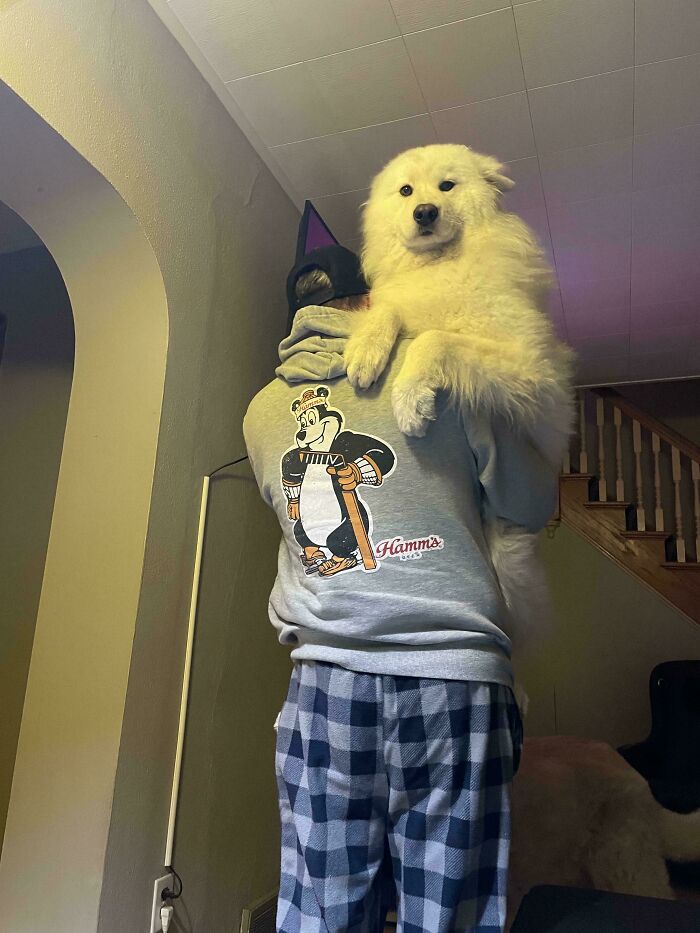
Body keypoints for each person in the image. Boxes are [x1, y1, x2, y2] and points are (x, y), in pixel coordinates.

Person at [242, 244, 558, 932]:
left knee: (321, 913)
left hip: (325, 682)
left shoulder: (261, 411)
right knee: (449, 912)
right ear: (373, 300)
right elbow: (533, 502)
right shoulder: (440, 371)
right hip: (452, 679)